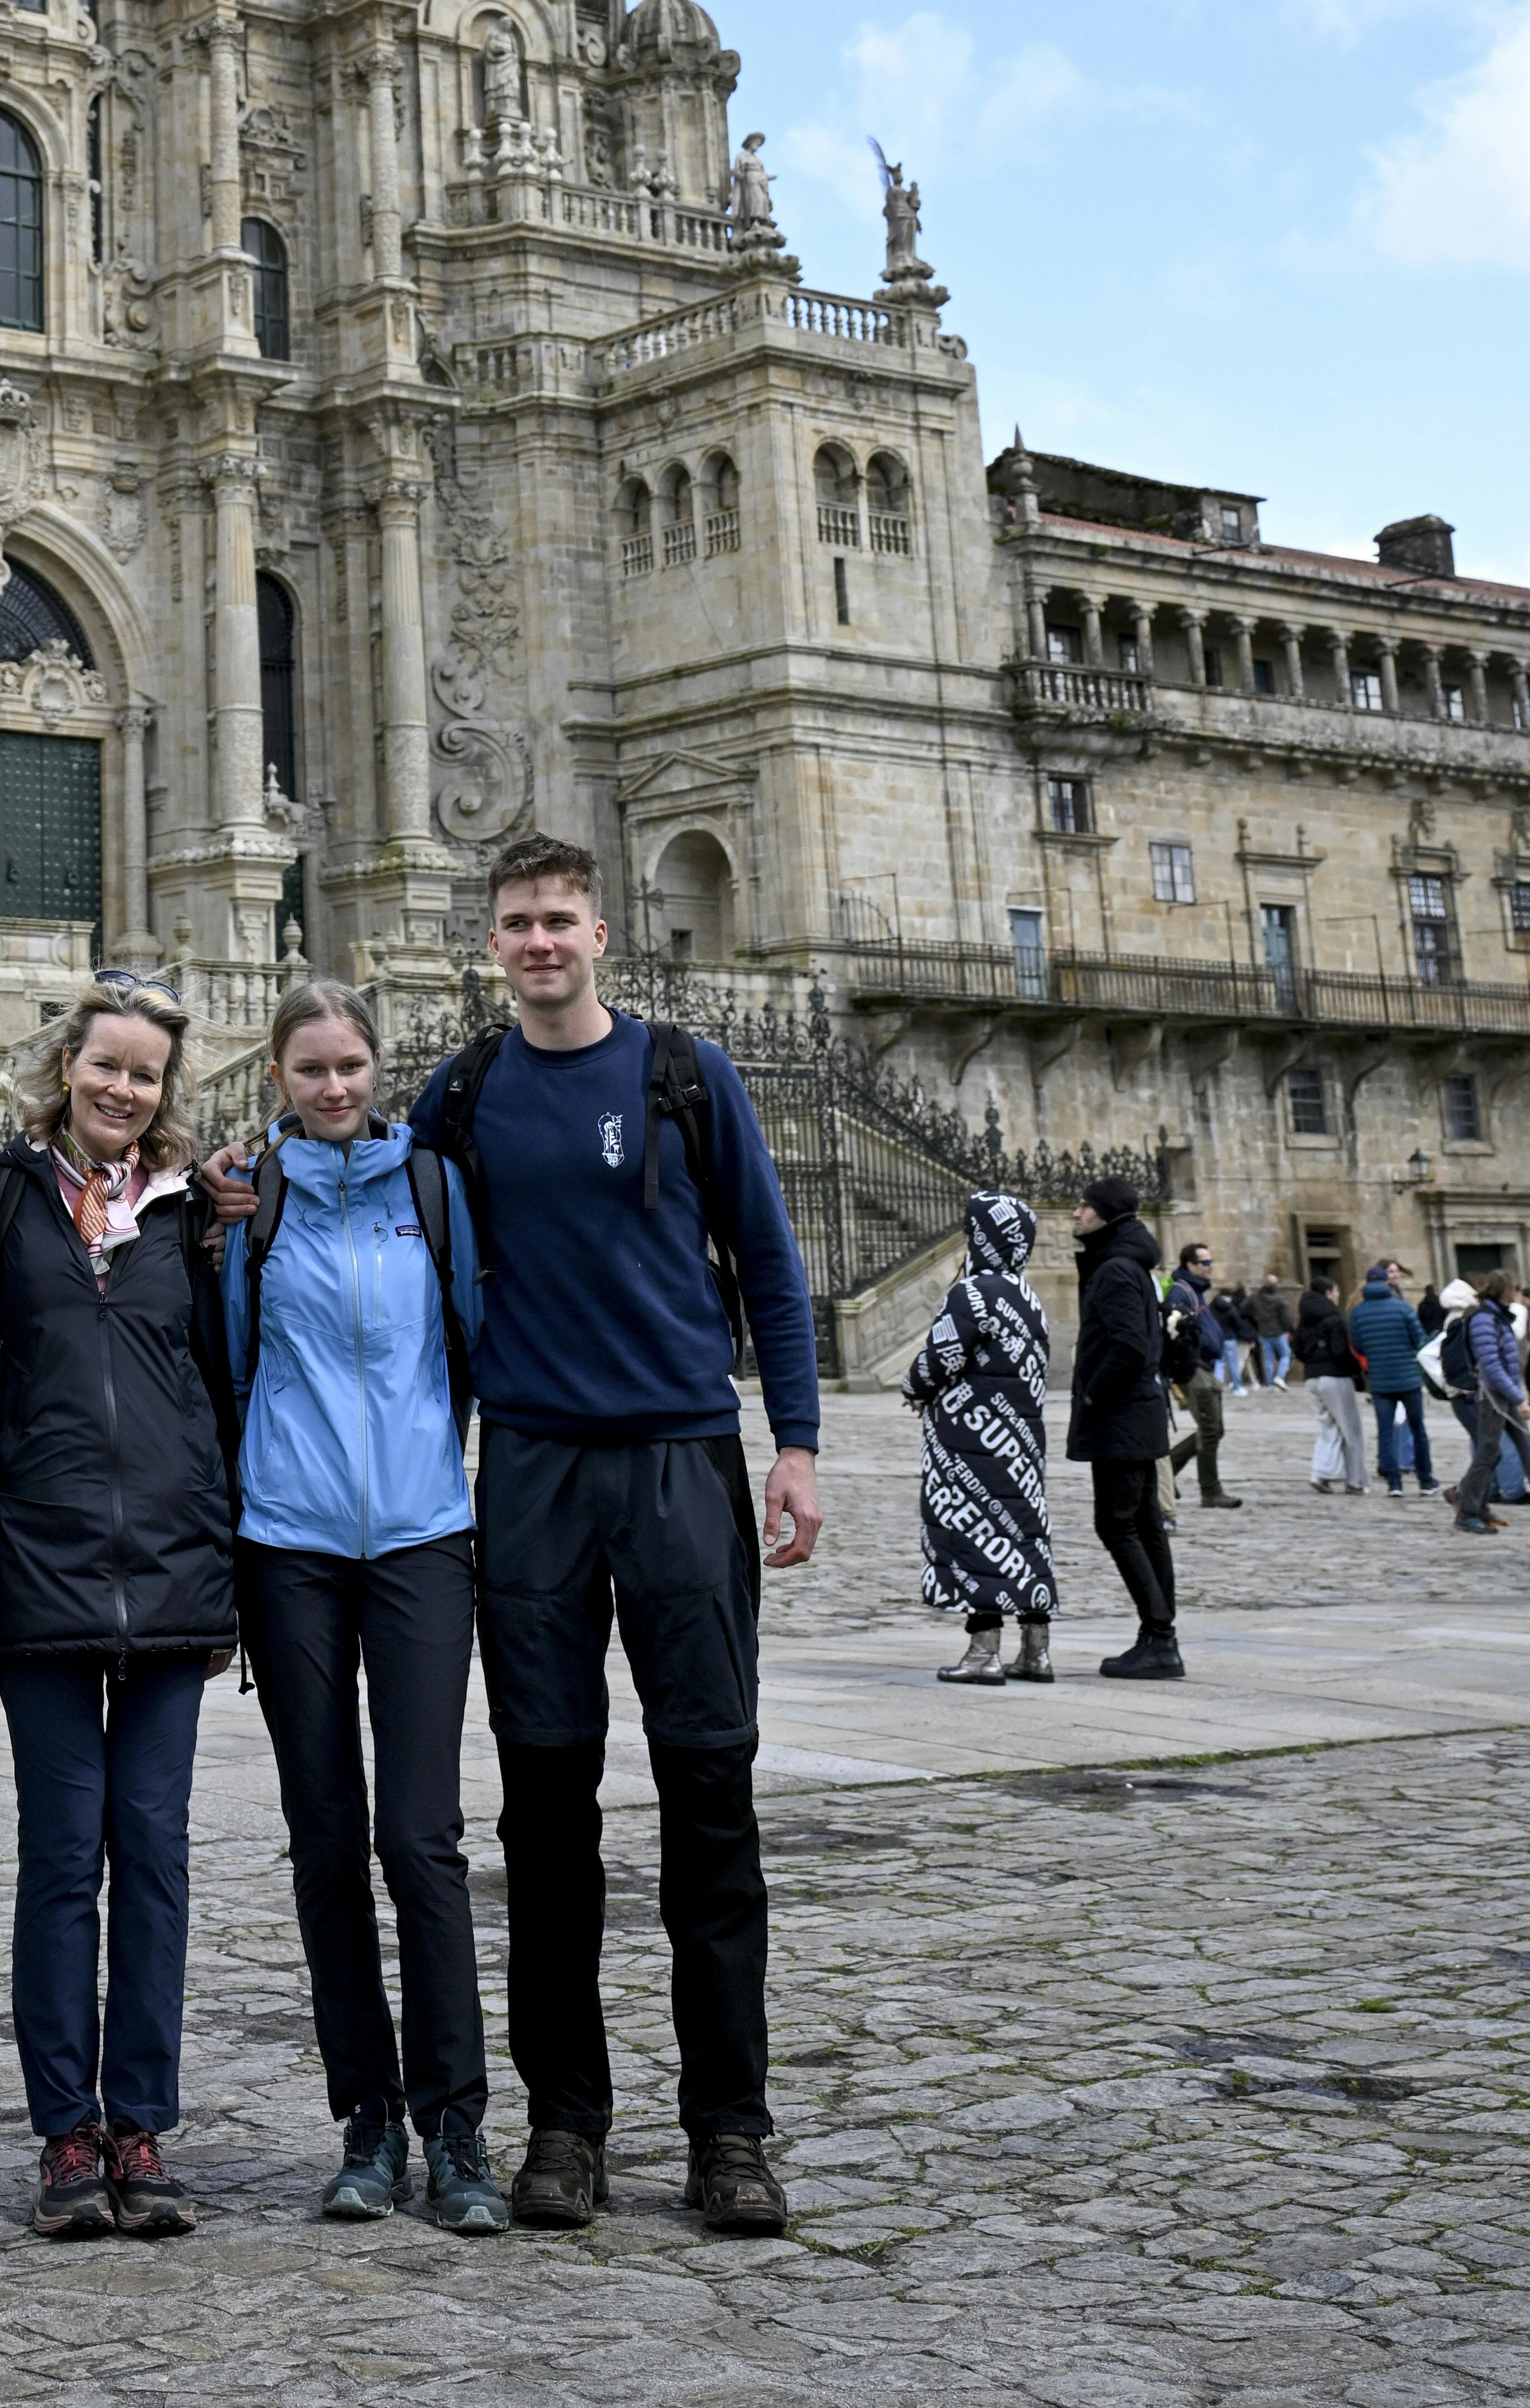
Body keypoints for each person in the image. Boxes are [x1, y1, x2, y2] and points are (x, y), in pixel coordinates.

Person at [399, 834, 823, 2238]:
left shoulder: (685, 1078)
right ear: (492, 940)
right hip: (529, 1464)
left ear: (602, 932)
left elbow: (767, 1260)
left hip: (680, 1461)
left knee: (711, 1798)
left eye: (558, 920)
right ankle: (565, 2121)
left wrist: (800, 1446)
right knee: (545, 1811)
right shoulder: (461, 1093)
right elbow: (377, 1222)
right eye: (516, 922)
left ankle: (729, 2127)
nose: (537, 941)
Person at [219, 976, 508, 2235]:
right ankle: (365, 2116)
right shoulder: (248, 1203)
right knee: (326, 1837)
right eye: (309, 1068)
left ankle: (457, 2123)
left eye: (348, 1066)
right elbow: (221, 1357)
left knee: (422, 1836)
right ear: (277, 1077)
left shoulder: (433, 1190)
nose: (332, 1086)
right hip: (286, 1540)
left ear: (377, 1068)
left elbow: (485, 1341)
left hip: (422, 1540)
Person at [0, 970, 236, 2241]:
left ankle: (144, 2120)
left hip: (173, 1571)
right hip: (45, 1570)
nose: (123, 1088)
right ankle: (66, 2129)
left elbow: (224, 1381)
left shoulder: (198, 1217)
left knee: (159, 1859)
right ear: (66, 1063)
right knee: (63, 1859)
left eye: (145, 1073)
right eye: (106, 1065)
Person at [904, 1194, 1056, 1683]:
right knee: (1025, 1537)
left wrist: (914, 1387)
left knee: (977, 1539)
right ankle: (1036, 1651)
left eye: (971, 1230)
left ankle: (983, 1652)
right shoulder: (1028, 1297)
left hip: (971, 1441)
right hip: (1022, 1444)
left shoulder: (972, 1293)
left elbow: (941, 1355)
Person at [1068, 1177, 1180, 1678]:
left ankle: (1159, 1636)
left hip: (1121, 1416)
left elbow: (1129, 1346)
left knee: (1117, 1523)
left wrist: (1093, 1394)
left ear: (1106, 1215)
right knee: (1144, 1523)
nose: (1076, 1213)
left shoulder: (1114, 1269)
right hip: (1139, 1413)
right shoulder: (1128, 1264)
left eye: (1085, 1206)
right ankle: (1160, 1634)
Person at [1453, 1264, 1529, 1536]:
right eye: (1515, 1289)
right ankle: (1467, 1511)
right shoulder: (1484, 1319)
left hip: (1505, 1394)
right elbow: (1492, 1366)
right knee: (1488, 1453)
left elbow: (1509, 1362)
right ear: (1506, 1291)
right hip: (1492, 1397)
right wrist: (1518, 1398)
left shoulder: (1499, 1317)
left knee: (1525, 1447)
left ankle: (1470, 1502)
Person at [1351, 1260, 1436, 1496]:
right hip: (1408, 1378)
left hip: (1380, 1381)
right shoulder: (1403, 1307)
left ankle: (1394, 1483)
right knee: (1418, 1429)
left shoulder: (1358, 1313)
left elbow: (1359, 1346)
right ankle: (1426, 1480)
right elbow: (1419, 1339)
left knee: (1385, 1432)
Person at [1163, 1242, 1235, 1507]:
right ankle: (1211, 1490)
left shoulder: (1197, 1291)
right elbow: (1176, 1334)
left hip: (1204, 1367)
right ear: (1190, 1266)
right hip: (1194, 1369)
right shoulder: (1182, 1293)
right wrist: (1187, 1364)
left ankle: (1167, 1470)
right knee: (1210, 1430)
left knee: (1215, 1430)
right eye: (1205, 1263)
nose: (1210, 1266)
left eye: (1211, 1261)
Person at [1296, 1278, 1368, 1491]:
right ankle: (1356, 1481)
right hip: (1335, 1377)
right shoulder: (1333, 1319)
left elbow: (1297, 1347)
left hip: (1312, 1377)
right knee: (1351, 1430)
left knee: (1328, 1428)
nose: (1338, 1296)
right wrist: (1356, 1369)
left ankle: (1320, 1474)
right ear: (1328, 1293)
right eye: (1337, 1291)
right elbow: (1341, 1352)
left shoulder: (1305, 1320)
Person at [1251, 1271, 1295, 1389]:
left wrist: (1256, 1319)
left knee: (1268, 1359)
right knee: (1286, 1355)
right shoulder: (1280, 1299)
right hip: (1279, 1332)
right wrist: (1289, 1330)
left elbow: (1245, 1308)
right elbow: (1286, 1318)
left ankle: (1270, 1383)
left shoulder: (1256, 1297)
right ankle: (1280, 1377)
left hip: (1264, 1332)